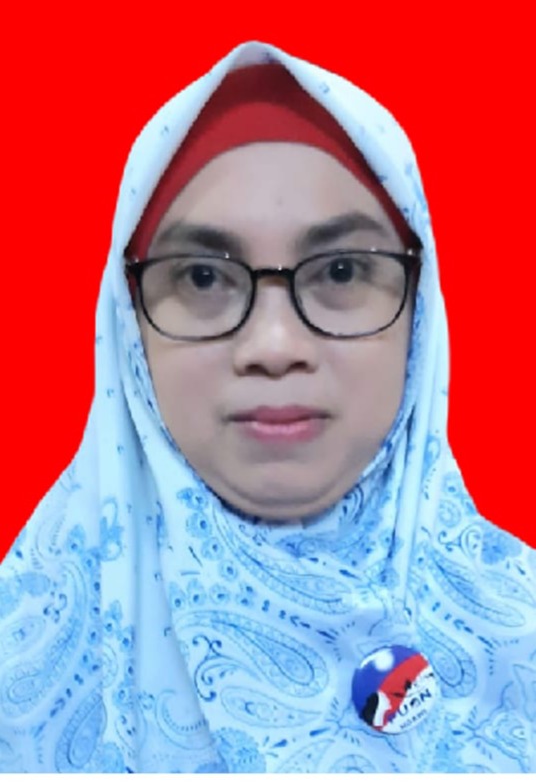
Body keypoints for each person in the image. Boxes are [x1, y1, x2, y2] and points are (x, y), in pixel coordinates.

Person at [0, 40, 534, 774]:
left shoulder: (519, 636)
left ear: (421, 316)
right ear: (128, 327)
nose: (275, 345)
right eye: (201, 277)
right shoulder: (24, 655)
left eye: (341, 271)